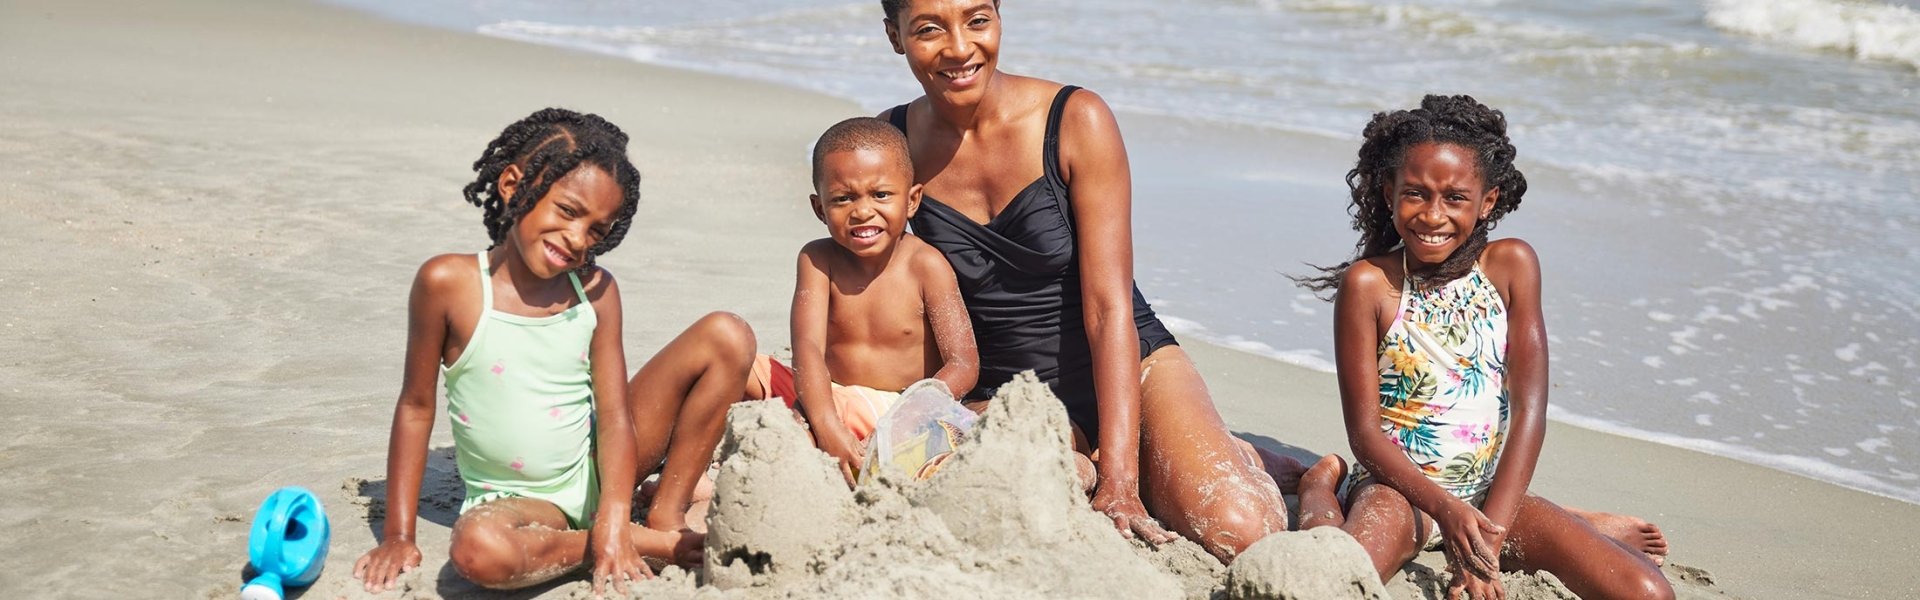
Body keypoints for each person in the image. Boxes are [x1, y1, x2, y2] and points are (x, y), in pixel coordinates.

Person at [874, 0, 1303, 562]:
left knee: (1242, 530)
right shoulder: (891, 145)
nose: (959, 48)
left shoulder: (1077, 119)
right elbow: (888, 301)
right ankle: (1134, 458)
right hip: (1008, 396)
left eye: (978, 20)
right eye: (929, 30)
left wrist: (1120, 484)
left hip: (1133, 365)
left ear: (999, 18)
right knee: (906, 474)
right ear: (895, 36)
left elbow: (1108, 310)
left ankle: (1252, 464)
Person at [351, 108, 756, 594]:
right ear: (510, 184)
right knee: (478, 550)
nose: (577, 238)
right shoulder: (448, 284)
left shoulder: (596, 291)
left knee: (727, 334)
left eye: (596, 231)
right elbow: (416, 407)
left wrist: (612, 507)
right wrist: (398, 535)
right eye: (567, 211)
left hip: (603, 466)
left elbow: (612, 415)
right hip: (526, 503)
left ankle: (664, 513)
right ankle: (632, 539)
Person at [1290, 95, 1672, 600]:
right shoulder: (1369, 285)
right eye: (1415, 194)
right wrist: (1446, 513)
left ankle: (1576, 518)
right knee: (1335, 575)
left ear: (1487, 202)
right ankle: (1320, 487)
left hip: (1488, 501)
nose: (1432, 215)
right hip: (1400, 491)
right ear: (1388, 193)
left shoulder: (1512, 266)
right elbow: (1364, 434)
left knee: (1649, 592)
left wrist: (1483, 541)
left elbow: (1529, 412)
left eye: (1454, 198)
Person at [744, 117, 978, 483]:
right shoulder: (818, 260)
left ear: (912, 199)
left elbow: (963, 364)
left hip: (897, 409)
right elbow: (806, 347)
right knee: (739, 363)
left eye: (881, 194)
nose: (863, 211)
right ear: (819, 208)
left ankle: (814, 448)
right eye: (843, 198)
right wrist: (825, 422)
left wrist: (907, 417)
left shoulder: (926, 265)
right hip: (825, 398)